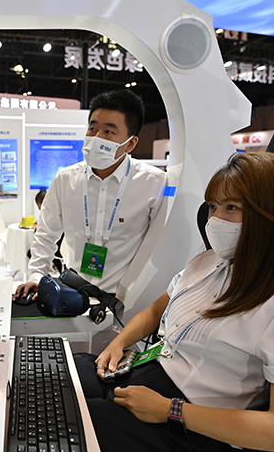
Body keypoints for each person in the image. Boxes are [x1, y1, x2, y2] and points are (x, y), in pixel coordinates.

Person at [75, 152, 274, 452]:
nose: (215, 220)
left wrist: (169, 410)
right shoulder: (207, 262)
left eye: (232, 207)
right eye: (213, 207)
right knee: (64, 374)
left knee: (69, 422)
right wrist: (118, 343)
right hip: (143, 376)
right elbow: (156, 310)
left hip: (188, 429)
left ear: (273, 214)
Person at [15, 89, 167, 300]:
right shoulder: (64, 179)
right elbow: (46, 235)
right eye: (93, 128)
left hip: (125, 298)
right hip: (72, 291)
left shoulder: (154, 183)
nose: (96, 138)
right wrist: (37, 275)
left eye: (109, 132)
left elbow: (158, 246)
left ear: (130, 144)